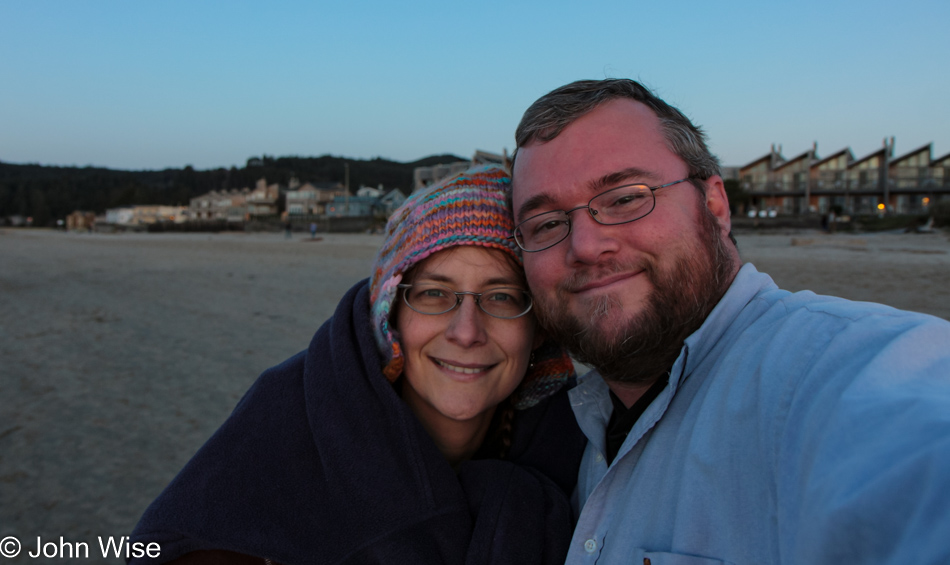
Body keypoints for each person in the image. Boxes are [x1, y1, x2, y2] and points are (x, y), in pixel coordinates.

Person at [509, 79, 950, 564]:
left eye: (625, 197)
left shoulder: (830, 372)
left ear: (715, 206)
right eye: (547, 224)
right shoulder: (562, 433)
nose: (586, 247)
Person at [130, 165, 586, 564]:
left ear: (539, 327)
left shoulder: (586, 454)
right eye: (433, 294)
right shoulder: (285, 425)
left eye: (501, 297)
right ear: (390, 313)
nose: (466, 331)